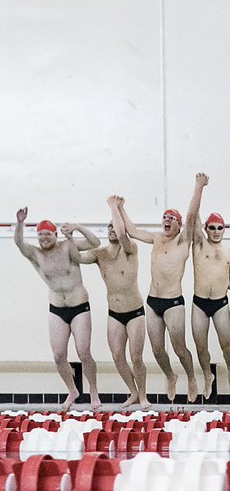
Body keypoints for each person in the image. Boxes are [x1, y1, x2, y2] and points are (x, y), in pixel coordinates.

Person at [117, 174, 202, 402]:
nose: (167, 220)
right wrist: (121, 208)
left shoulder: (183, 241)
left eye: (172, 218)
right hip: (153, 301)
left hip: (173, 302)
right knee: (156, 350)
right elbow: (133, 231)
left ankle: (192, 378)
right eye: (164, 217)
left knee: (179, 348)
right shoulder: (155, 239)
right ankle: (171, 376)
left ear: (179, 225)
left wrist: (198, 186)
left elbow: (192, 215)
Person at [13, 208, 102, 410]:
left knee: (84, 352)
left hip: (79, 306)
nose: (44, 238)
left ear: (55, 234)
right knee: (58, 356)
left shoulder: (67, 247)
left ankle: (93, 390)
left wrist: (77, 227)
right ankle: (73, 390)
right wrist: (20, 222)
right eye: (40, 234)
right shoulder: (35, 254)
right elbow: (18, 243)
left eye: (48, 234)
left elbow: (95, 243)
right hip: (57, 309)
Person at [79, 196, 150, 409]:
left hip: (135, 312)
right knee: (117, 355)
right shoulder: (100, 254)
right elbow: (77, 257)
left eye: (114, 226)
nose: (112, 230)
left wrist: (114, 207)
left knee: (136, 357)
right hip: (115, 314)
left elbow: (121, 233)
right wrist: (74, 231)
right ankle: (133, 392)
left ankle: (144, 395)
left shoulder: (131, 249)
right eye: (108, 227)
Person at [188, 176, 230, 398]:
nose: (217, 231)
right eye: (213, 228)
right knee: (201, 347)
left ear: (224, 230)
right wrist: (199, 187)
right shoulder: (199, 244)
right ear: (206, 229)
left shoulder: (229, 252)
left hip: (220, 303)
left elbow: (226, 275)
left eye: (220, 228)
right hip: (199, 303)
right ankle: (207, 377)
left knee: (226, 344)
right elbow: (193, 215)